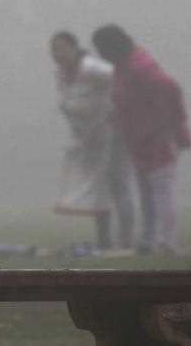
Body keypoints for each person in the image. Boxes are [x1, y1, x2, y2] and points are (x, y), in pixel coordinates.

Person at [92, 25, 191, 255]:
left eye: (102, 48)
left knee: (161, 189)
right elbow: (124, 102)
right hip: (137, 139)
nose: (100, 54)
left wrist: (179, 132)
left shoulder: (141, 68)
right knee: (146, 192)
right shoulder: (122, 67)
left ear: (113, 46)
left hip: (158, 137)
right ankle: (149, 238)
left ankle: (167, 241)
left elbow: (171, 91)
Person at [49, 31, 134, 249]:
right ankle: (104, 240)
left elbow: (121, 79)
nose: (55, 53)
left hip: (112, 134)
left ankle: (126, 241)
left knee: (118, 185)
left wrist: (116, 111)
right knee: (98, 189)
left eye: (60, 48)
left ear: (74, 47)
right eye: (52, 49)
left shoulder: (92, 67)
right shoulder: (61, 74)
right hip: (88, 140)